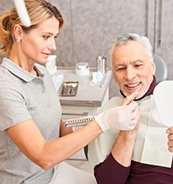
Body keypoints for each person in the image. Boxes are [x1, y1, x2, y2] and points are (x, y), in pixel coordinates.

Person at [0, 1, 141, 183]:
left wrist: (87, 122)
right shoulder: (6, 87)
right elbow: (43, 156)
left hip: (55, 170)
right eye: (45, 36)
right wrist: (102, 122)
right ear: (19, 33)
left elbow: (57, 128)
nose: (53, 46)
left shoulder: (41, 73)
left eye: (54, 37)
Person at [87, 33, 173, 184]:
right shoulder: (109, 113)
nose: (129, 75)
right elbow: (108, 181)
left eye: (138, 65)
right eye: (121, 68)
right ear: (114, 75)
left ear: (152, 67)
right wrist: (127, 136)